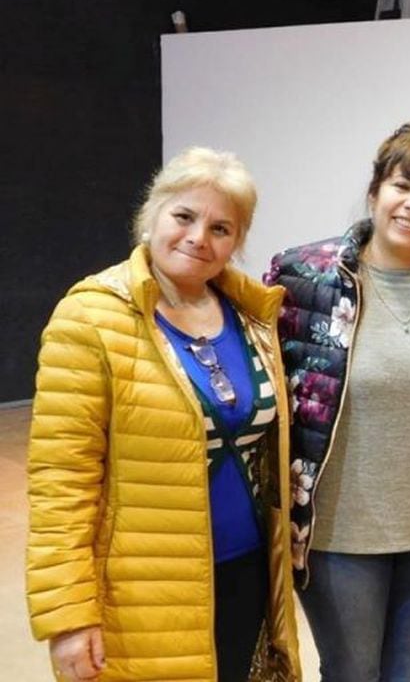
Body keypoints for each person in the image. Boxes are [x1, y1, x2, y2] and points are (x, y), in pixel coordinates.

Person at [25, 147, 302, 682]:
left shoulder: (253, 317)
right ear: (151, 215)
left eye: (221, 227)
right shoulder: (88, 318)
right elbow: (61, 481)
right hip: (142, 590)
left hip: (244, 573)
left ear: (236, 242)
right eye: (184, 216)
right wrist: (68, 616)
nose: (199, 237)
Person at [266, 122, 410, 682]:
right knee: (351, 673)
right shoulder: (303, 276)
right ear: (375, 191)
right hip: (340, 534)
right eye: (402, 185)